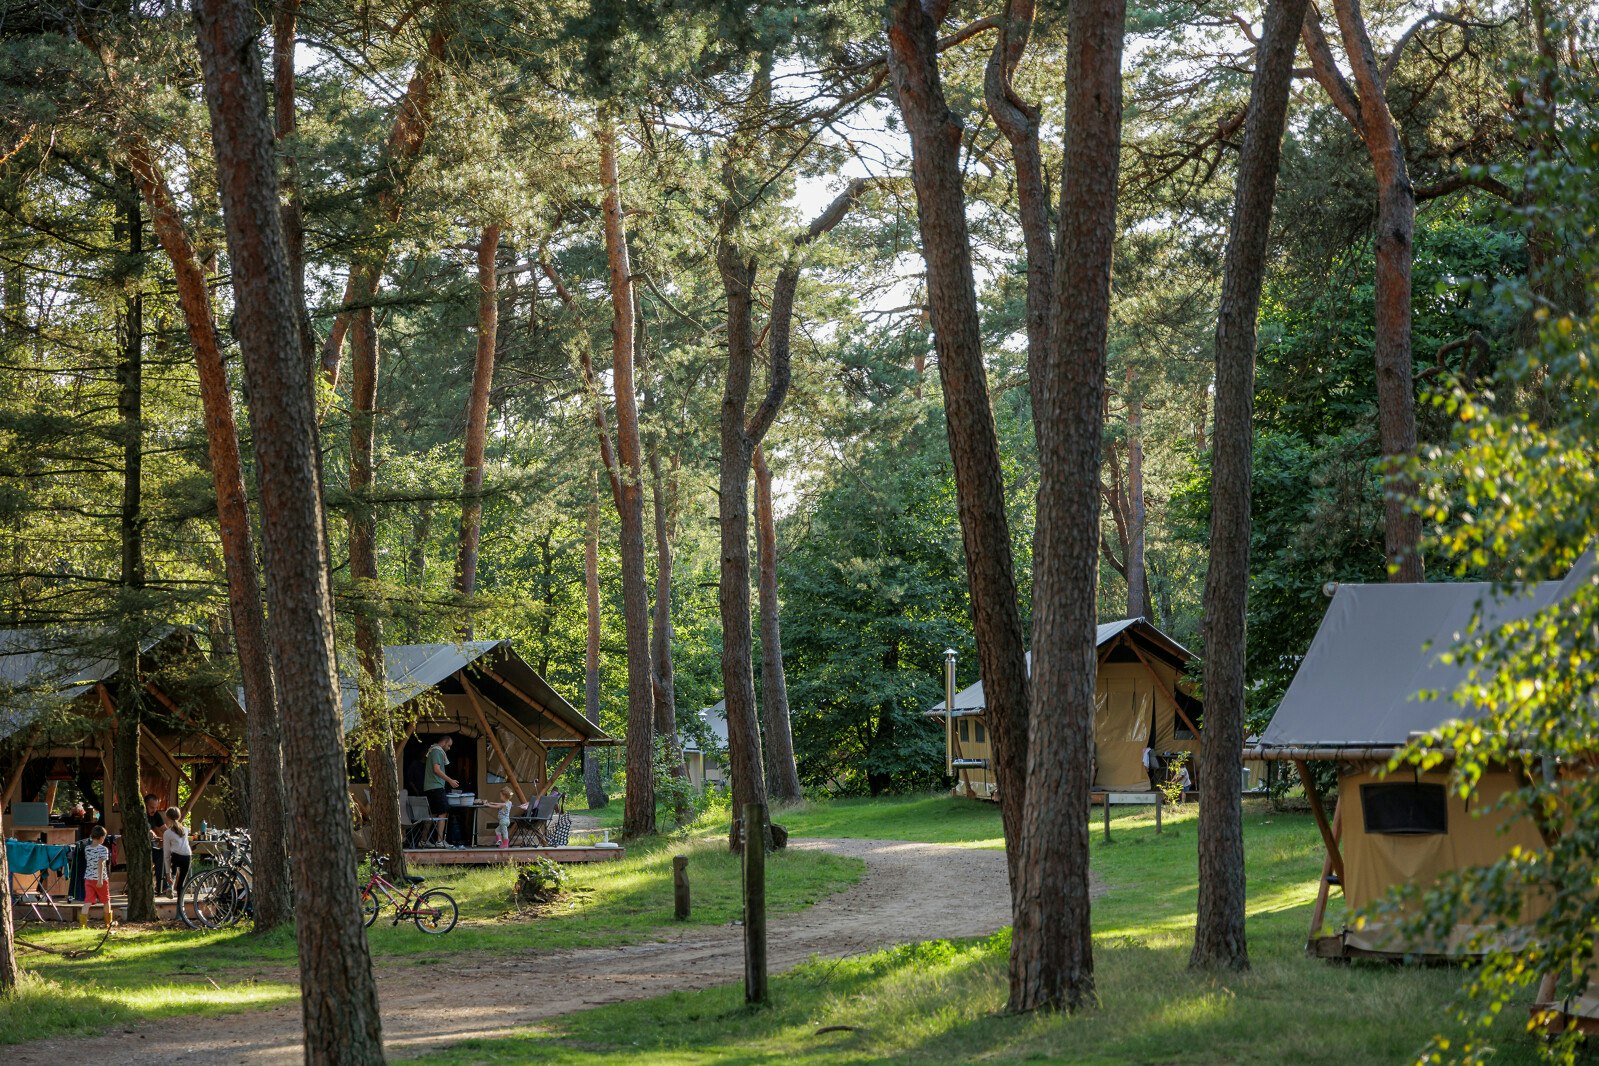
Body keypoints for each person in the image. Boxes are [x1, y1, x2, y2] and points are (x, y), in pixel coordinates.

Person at [422, 736, 459, 847]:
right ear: (443, 742)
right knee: (443, 812)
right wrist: (450, 781)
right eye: (448, 745)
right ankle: (439, 841)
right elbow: (436, 770)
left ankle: (423, 840)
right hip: (436, 787)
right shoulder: (437, 751)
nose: (449, 748)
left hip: (429, 788)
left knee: (432, 814)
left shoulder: (432, 751)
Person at [81, 825, 113, 931]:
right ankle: (108, 923)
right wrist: (100, 879)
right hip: (101, 878)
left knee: (88, 901)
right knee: (106, 900)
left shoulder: (87, 848)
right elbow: (101, 864)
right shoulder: (103, 849)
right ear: (101, 837)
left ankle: (83, 925)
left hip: (88, 878)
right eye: (104, 837)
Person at [162, 806, 193, 903]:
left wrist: (168, 874)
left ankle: (171, 884)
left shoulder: (167, 833)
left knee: (173, 861)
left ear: (167, 817)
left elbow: (166, 854)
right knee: (181, 884)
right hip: (187, 856)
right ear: (179, 817)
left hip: (176, 857)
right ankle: (180, 909)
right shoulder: (185, 830)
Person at [145, 793, 168, 893]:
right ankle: (161, 886)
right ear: (145, 804)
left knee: (163, 853)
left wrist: (175, 834)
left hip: (152, 847)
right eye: (151, 807)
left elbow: (164, 829)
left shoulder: (156, 814)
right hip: (142, 849)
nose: (154, 810)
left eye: (155, 807)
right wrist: (149, 832)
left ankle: (162, 886)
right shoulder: (140, 814)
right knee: (161, 854)